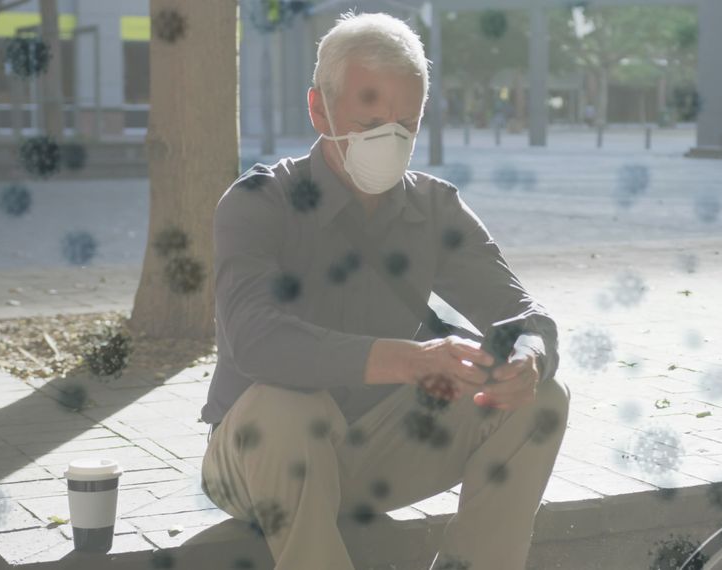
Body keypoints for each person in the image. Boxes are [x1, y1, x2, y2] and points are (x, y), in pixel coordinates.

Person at [199, 11, 569, 570]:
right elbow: (257, 342)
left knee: (541, 399)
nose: (389, 136)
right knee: (288, 406)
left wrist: (526, 356)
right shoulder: (259, 202)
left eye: (407, 122)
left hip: (377, 452)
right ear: (319, 109)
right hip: (259, 459)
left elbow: (520, 310)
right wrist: (409, 362)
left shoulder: (434, 207)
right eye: (370, 113)